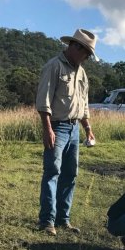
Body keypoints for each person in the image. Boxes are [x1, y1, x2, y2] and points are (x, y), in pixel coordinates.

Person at [36, 28, 98, 236]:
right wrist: (47, 129)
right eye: (86, 54)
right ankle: (47, 221)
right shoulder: (53, 66)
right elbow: (43, 101)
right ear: (74, 47)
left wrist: (87, 129)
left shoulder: (81, 72)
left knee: (70, 174)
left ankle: (63, 219)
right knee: (53, 172)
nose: (87, 58)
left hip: (74, 130)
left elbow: (84, 104)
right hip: (57, 126)